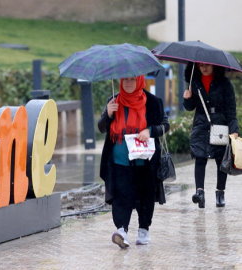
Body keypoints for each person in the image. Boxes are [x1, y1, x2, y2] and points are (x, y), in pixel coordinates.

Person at [98, 75, 169, 249]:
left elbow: (165, 125)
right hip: (119, 161)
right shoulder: (113, 101)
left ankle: (143, 229)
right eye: (125, 80)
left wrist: (150, 130)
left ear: (139, 81)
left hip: (145, 162)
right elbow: (101, 127)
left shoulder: (152, 102)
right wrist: (108, 114)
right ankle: (121, 230)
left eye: (132, 79)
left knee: (145, 197)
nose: (128, 83)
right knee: (121, 197)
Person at [183, 62, 238, 208]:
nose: (204, 68)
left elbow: (231, 109)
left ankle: (220, 192)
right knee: (200, 158)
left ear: (215, 66)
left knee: (221, 160)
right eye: (201, 65)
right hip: (201, 124)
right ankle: (199, 193)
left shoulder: (224, 84)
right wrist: (187, 98)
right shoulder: (194, 82)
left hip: (220, 124)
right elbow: (190, 107)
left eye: (207, 65)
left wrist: (234, 130)